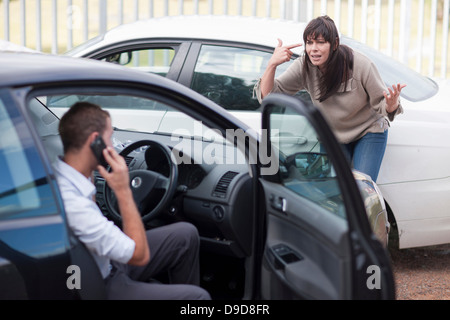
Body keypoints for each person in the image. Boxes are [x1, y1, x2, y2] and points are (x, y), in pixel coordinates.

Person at [53, 101, 211, 300]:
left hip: (102, 261)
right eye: (109, 138)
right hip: (101, 285)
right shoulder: (74, 205)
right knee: (197, 298)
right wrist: (123, 190)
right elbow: (139, 255)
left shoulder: (63, 173)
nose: (113, 146)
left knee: (186, 234)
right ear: (95, 141)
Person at [254, 15, 405, 182]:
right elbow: (269, 96)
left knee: (363, 187)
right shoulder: (304, 65)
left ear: (334, 44)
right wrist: (272, 65)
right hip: (333, 135)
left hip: (368, 131)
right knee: (333, 189)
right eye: (309, 43)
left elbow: (382, 105)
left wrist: (391, 104)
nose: (313, 49)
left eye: (320, 42)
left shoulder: (360, 65)